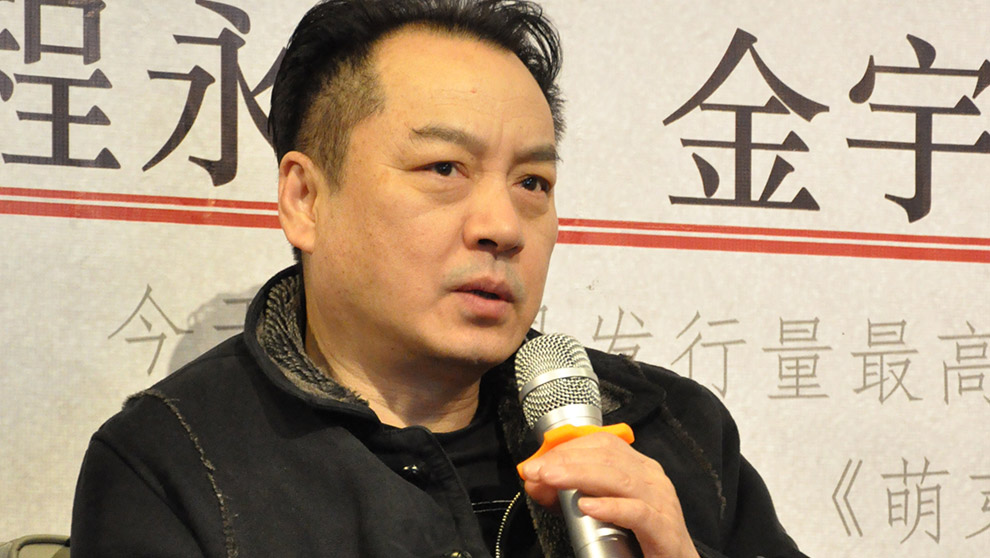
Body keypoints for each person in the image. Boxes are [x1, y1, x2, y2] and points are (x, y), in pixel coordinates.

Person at [71, 1, 808, 557]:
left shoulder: (677, 434)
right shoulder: (174, 464)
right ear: (306, 198)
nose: (503, 226)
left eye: (532, 182)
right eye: (445, 169)